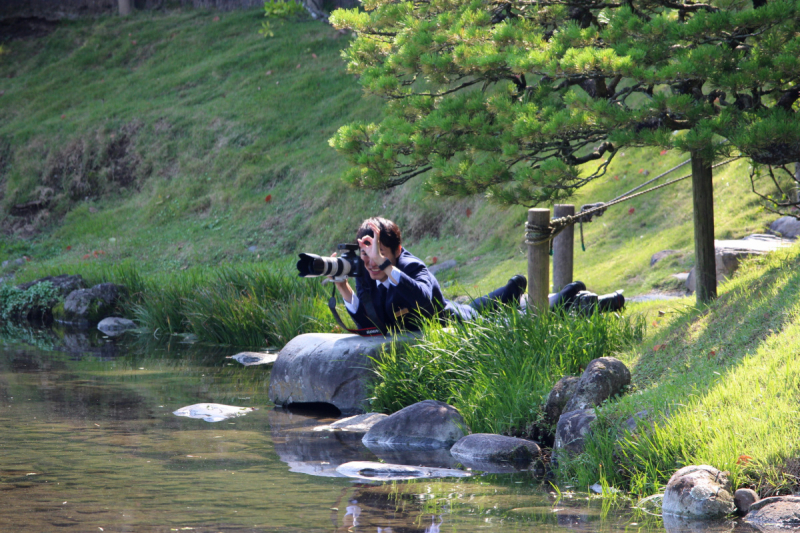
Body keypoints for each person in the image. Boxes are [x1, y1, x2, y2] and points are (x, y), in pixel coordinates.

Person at [332, 217, 527, 332]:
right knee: (476, 305)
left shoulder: (411, 266)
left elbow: (422, 299)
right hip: (451, 309)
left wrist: (383, 263)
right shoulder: (365, 270)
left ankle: (515, 293)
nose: (371, 261)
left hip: (455, 321)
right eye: (365, 253)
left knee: (486, 316)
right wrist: (344, 288)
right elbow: (371, 323)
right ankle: (509, 291)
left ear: (397, 250)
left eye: (380, 252)